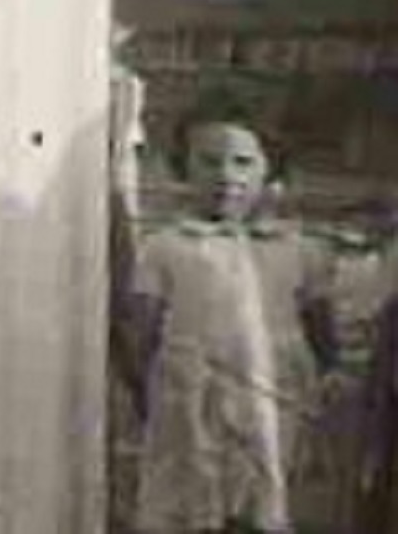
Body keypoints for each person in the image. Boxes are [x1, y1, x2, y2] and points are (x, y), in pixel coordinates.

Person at [117, 89, 340, 533]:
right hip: (191, 406)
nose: (225, 176)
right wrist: (156, 396)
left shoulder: (298, 250)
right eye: (208, 161)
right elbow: (138, 337)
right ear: (183, 168)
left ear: (268, 170)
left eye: (242, 162)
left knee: (265, 500)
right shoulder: (168, 246)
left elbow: (321, 334)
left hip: (273, 402)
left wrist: (318, 382)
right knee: (194, 505)